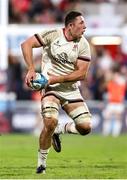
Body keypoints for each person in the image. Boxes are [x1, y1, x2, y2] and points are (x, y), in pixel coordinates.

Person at [21, 11, 92, 174]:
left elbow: (82, 74)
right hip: (50, 88)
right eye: (81, 24)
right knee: (49, 121)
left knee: (86, 128)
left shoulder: (83, 44)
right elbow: (26, 44)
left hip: (70, 89)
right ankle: (41, 165)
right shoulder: (52, 35)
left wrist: (56, 79)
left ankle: (59, 130)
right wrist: (31, 69)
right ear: (70, 26)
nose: (85, 27)